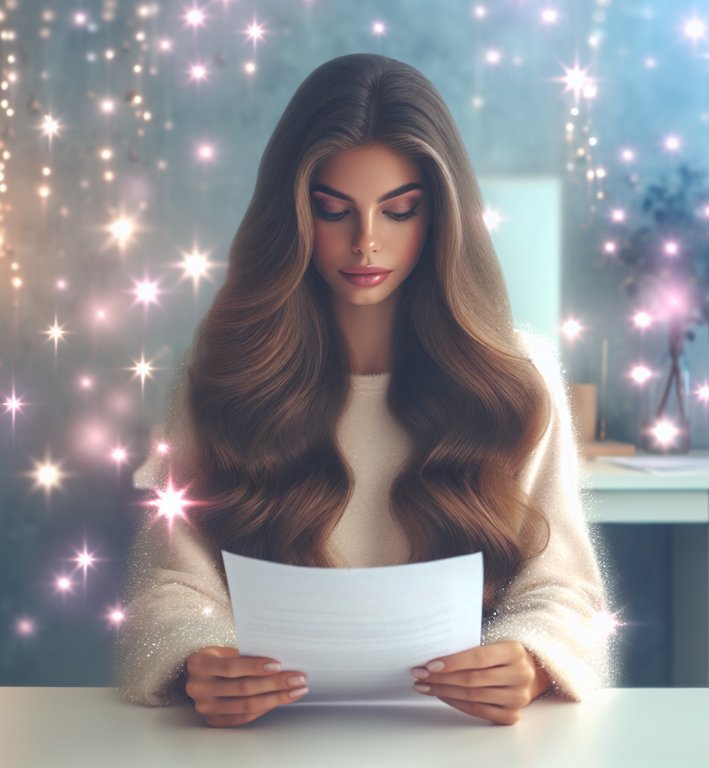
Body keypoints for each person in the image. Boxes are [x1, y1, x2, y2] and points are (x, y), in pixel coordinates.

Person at [114, 53, 611, 728]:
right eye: (333, 210)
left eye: (399, 211)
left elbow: (564, 588)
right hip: (261, 742)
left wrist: (528, 657)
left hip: (456, 740)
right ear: (293, 213)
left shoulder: (517, 375)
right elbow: (171, 583)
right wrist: (198, 656)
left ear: (441, 218)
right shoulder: (219, 373)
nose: (366, 243)